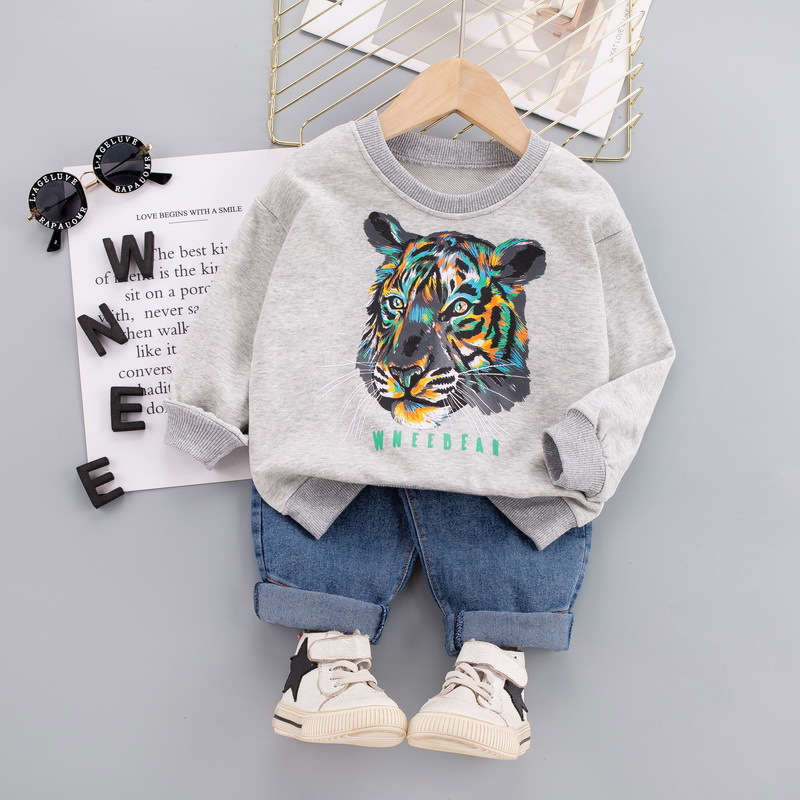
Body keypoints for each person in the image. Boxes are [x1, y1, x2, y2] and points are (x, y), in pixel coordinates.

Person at [164, 112, 676, 760]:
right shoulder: (321, 175)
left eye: (458, 313)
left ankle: (492, 679)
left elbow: (644, 349)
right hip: (343, 470)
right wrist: (206, 407)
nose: (411, 358)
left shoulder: (577, 200)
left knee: (512, 546)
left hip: (507, 486)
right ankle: (323, 669)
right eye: (399, 309)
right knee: (329, 519)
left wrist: (586, 442)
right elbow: (246, 289)